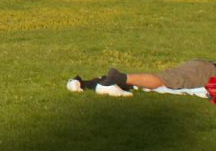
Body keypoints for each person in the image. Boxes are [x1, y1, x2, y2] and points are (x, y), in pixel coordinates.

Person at [68, 60, 216, 96]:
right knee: (164, 82)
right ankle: (117, 78)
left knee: (162, 82)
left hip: (203, 66)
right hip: (207, 71)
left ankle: (86, 83)